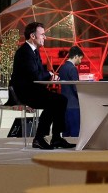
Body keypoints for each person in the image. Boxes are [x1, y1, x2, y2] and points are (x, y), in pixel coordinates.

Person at [10, 21, 72, 149]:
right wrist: (50, 75)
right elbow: (34, 75)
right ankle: (39, 138)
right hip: (24, 92)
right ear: (33, 36)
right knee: (54, 101)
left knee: (61, 100)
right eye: (42, 34)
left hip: (34, 90)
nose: (45, 37)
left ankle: (56, 138)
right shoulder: (24, 52)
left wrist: (50, 75)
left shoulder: (34, 51)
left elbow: (39, 72)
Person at [57, 46, 84, 138]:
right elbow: (76, 87)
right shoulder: (73, 69)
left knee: (66, 134)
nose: (80, 62)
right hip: (74, 105)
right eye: (80, 59)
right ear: (76, 56)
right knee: (75, 133)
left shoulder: (63, 68)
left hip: (64, 105)